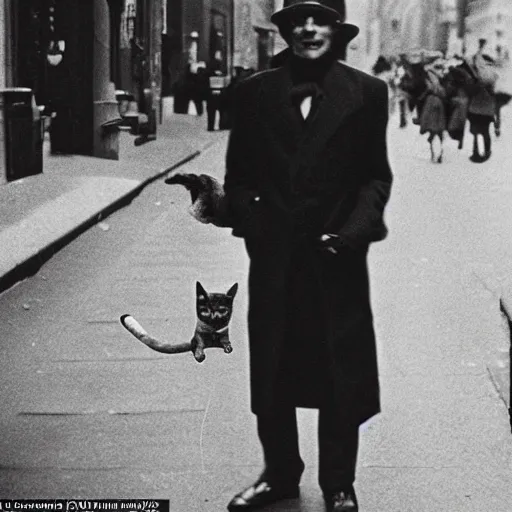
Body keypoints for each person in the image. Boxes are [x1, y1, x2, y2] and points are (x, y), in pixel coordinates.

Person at [222, 1, 393, 511]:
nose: (309, 29)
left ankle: (339, 482)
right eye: (298, 20)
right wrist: (257, 229)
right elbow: (240, 177)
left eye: (320, 20)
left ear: (337, 31)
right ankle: (279, 474)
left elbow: (375, 177)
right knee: (273, 369)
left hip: (336, 259)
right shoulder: (254, 94)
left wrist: (351, 233)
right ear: (286, 31)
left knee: (340, 370)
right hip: (276, 261)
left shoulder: (367, 93)